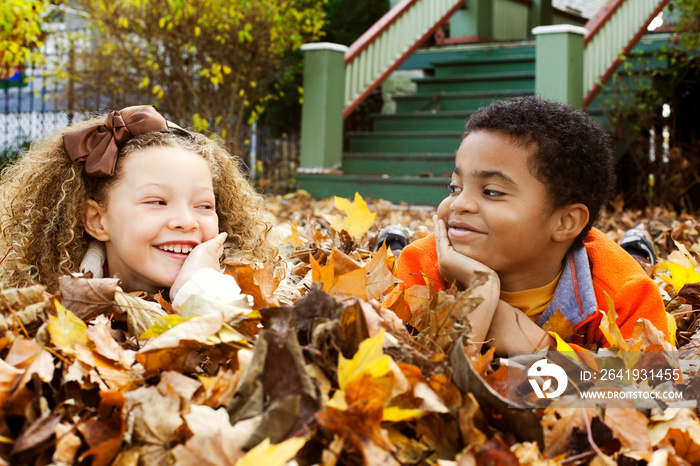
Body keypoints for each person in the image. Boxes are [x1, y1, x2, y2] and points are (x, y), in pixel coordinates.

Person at [386, 97, 670, 353]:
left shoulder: (626, 296)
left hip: (603, 262)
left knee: (631, 263)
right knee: (395, 257)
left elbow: (657, 388)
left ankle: (637, 252)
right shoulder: (420, 267)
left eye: (492, 192)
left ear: (565, 222)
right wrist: (480, 295)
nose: (459, 204)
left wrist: (540, 349)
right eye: (455, 187)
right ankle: (393, 244)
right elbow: (408, 380)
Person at [0, 105, 277, 307]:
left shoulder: (241, 287)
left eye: (204, 205)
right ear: (97, 221)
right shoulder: (53, 301)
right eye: (158, 202)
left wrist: (199, 294)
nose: (187, 221)